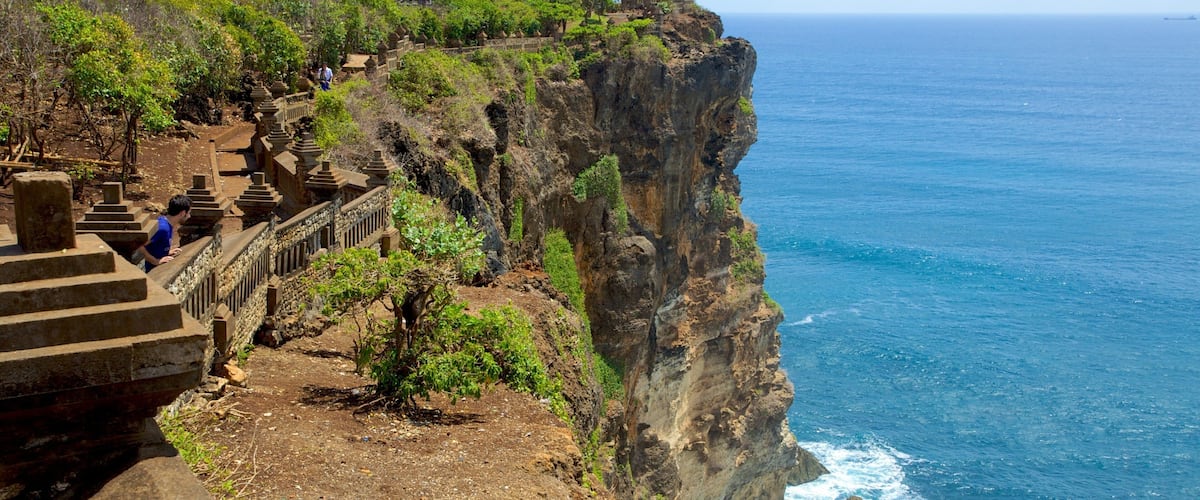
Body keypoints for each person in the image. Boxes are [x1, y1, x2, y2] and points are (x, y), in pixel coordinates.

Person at [139, 194, 191, 271]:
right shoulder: (162, 228)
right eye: (188, 213)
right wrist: (155, 261)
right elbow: (139, 246)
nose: (189, 216)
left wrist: (166, 252)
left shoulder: (166, 223)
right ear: (182, 213)